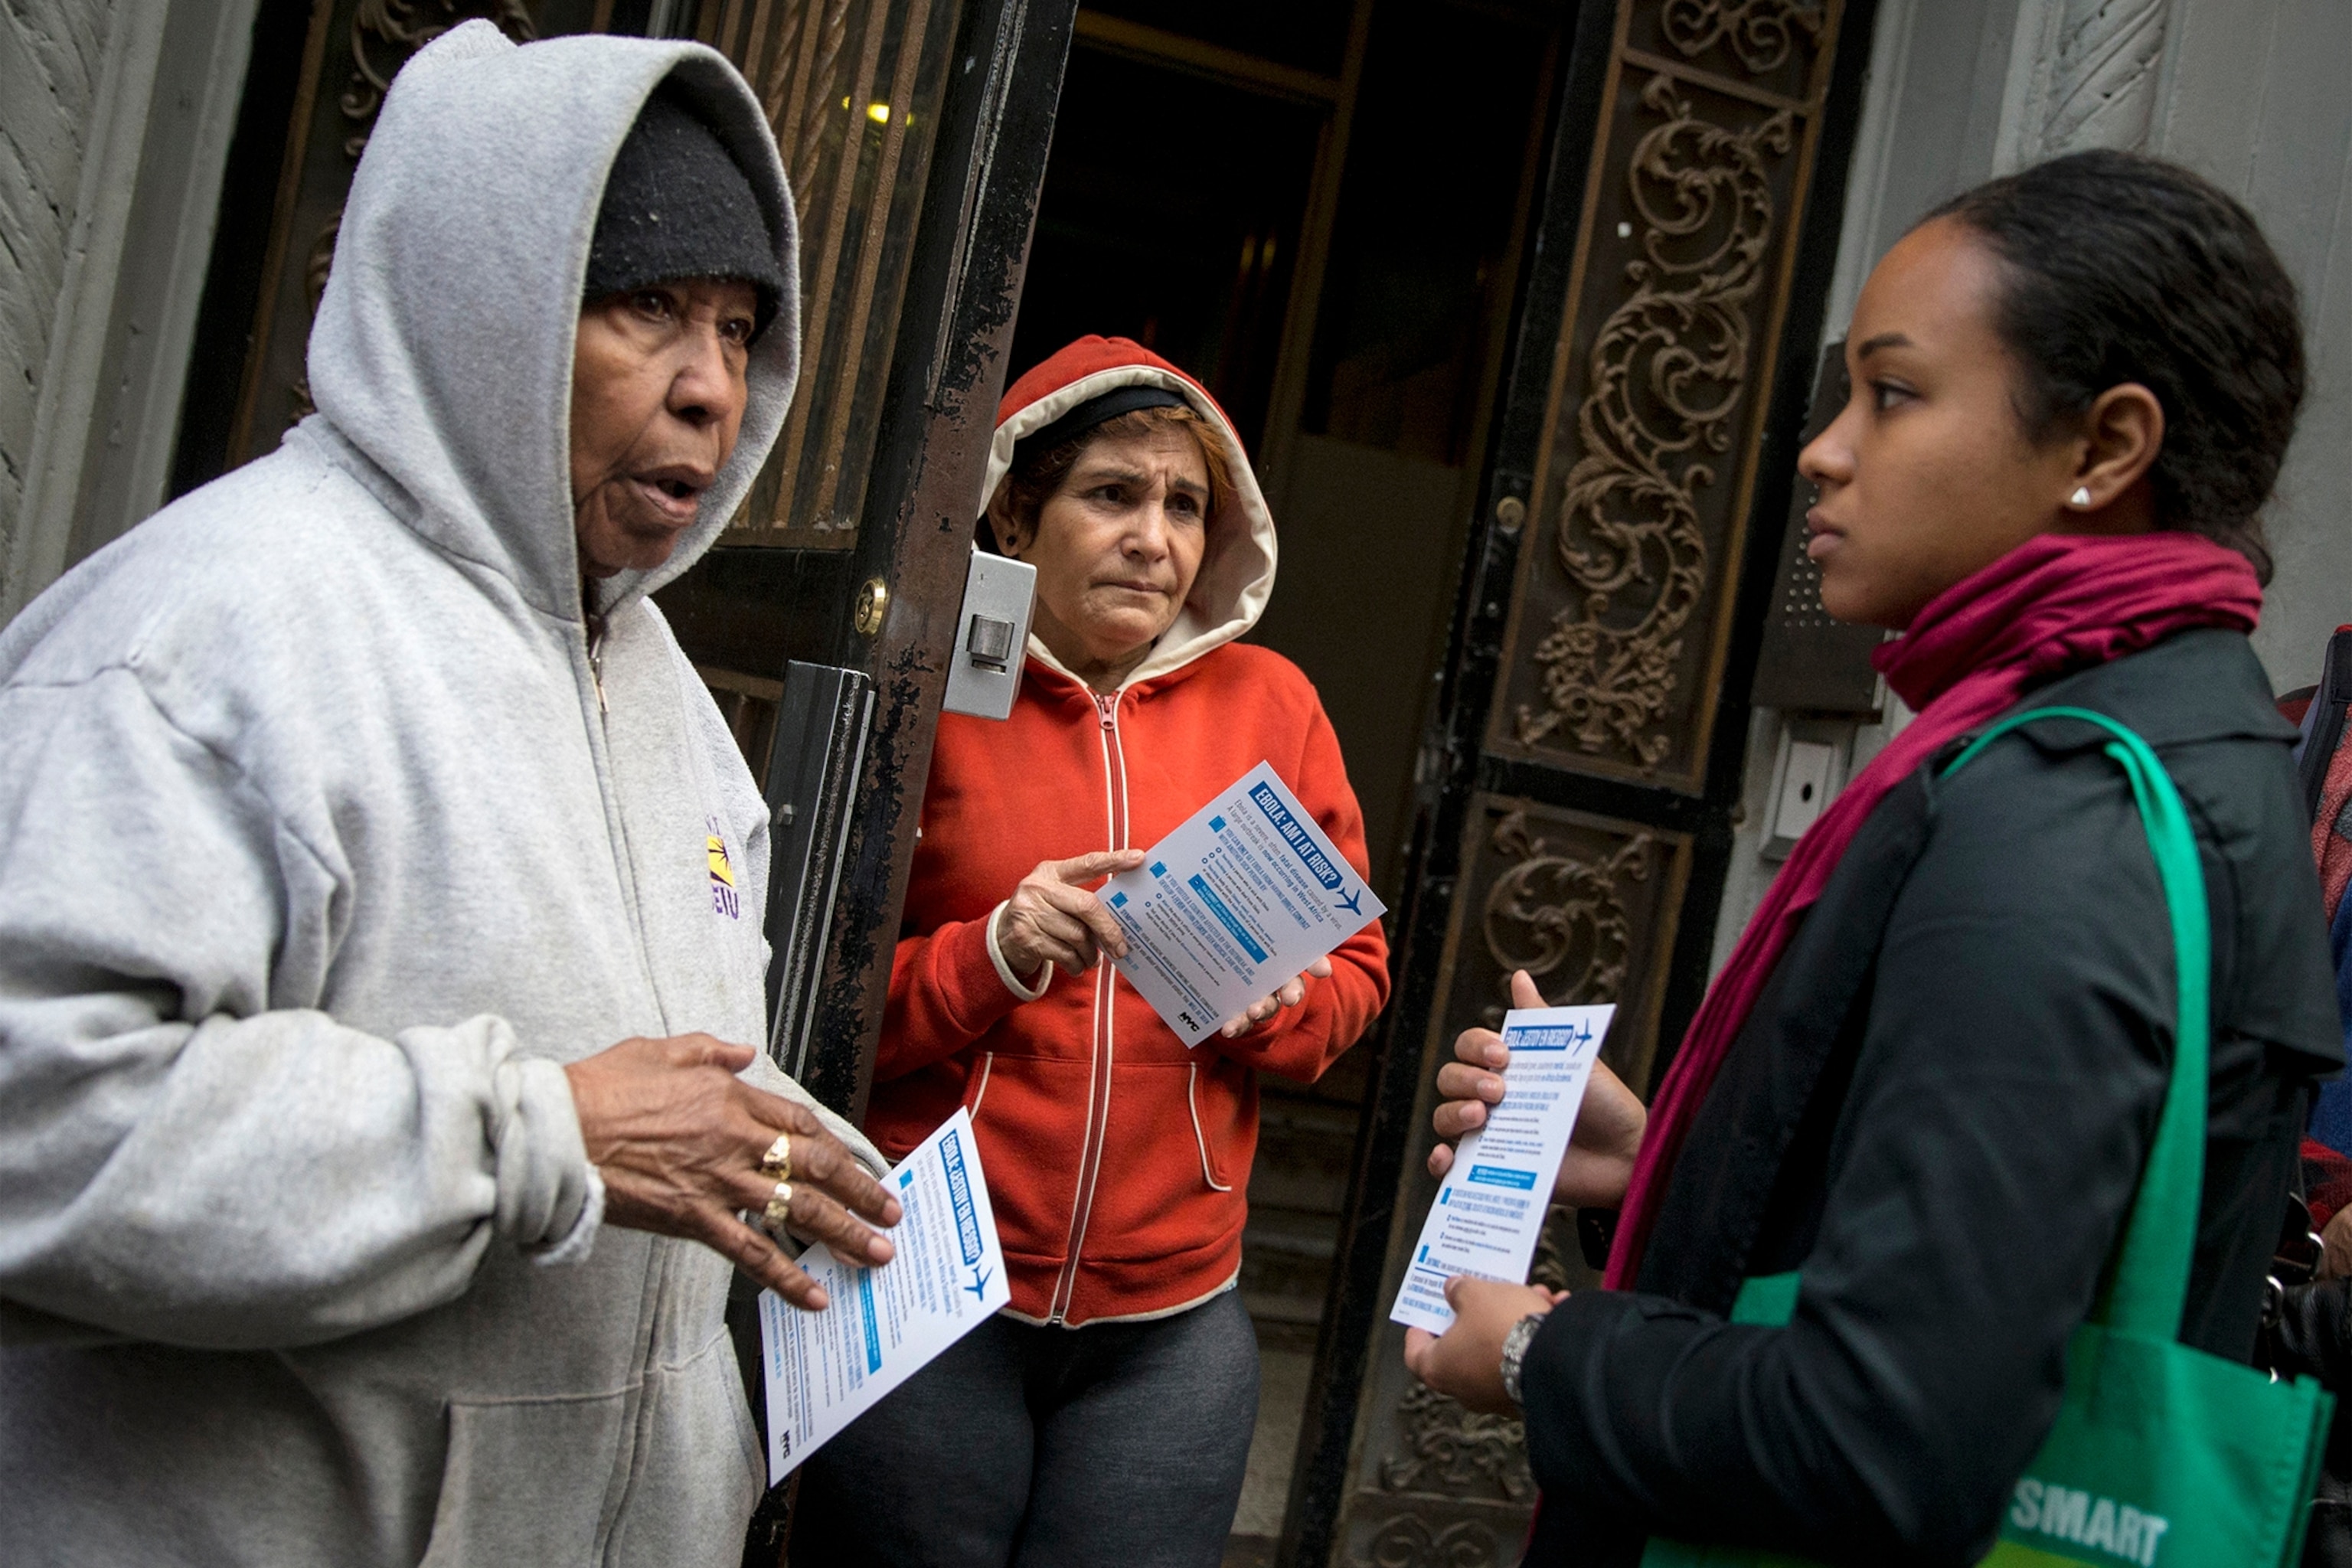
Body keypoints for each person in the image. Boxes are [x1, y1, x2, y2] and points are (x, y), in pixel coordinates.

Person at [0, 24, 901, 1567]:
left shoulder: (671, 693)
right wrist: (539, 1129)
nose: (709, 390)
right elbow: (36, 1120)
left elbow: (633, 1068)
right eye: (648, 309)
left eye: (743, 329)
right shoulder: (212, 629)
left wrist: (763, 1140)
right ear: (491, 305)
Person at [1404, 149, 2342, 1565]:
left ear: (2104, 448)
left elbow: (1886, 1432)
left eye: (1892, 394)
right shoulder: (2137, 737)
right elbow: (2000, 1247)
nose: (1823, 449)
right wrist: (1671, 1166)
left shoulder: (2069, 813)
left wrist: (1548, 1355)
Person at [789, 335, 1391, 1566]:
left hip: (1172, 1322)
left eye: (1183, 505)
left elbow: (1356, 981)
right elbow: (812, 1010)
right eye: (1111, 493)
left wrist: (1274, 1005)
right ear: (1020, 504)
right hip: (930, 1287)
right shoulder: (925, 695)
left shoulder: (1273, 707)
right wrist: (995, 951)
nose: (1153, 538)